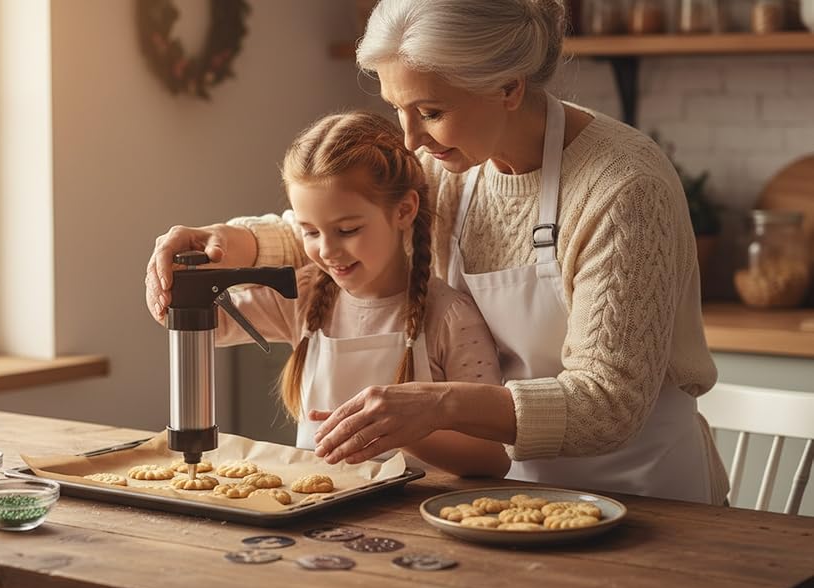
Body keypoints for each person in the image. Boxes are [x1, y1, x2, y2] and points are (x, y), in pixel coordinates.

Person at [145, 0, 729, 504]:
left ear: (509, 87)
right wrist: (228, 241)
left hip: (641, 497)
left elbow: (607, 404)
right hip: (495, 492)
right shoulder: (450, 163)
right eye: (398, 108)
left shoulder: (622, 186)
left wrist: (437, 405)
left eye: (430, 112)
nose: (408, 140)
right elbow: (345, 223)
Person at [209, 111, 510, 477]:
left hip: (415, 521)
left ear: (404, 210)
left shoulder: (451, 317)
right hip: (315, 513)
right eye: (310, 232)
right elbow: (204, 322)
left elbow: (491, 459)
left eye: (347, 229)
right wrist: (183, 268)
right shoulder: (302, 297)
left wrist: (399, 431)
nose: (328, 251)